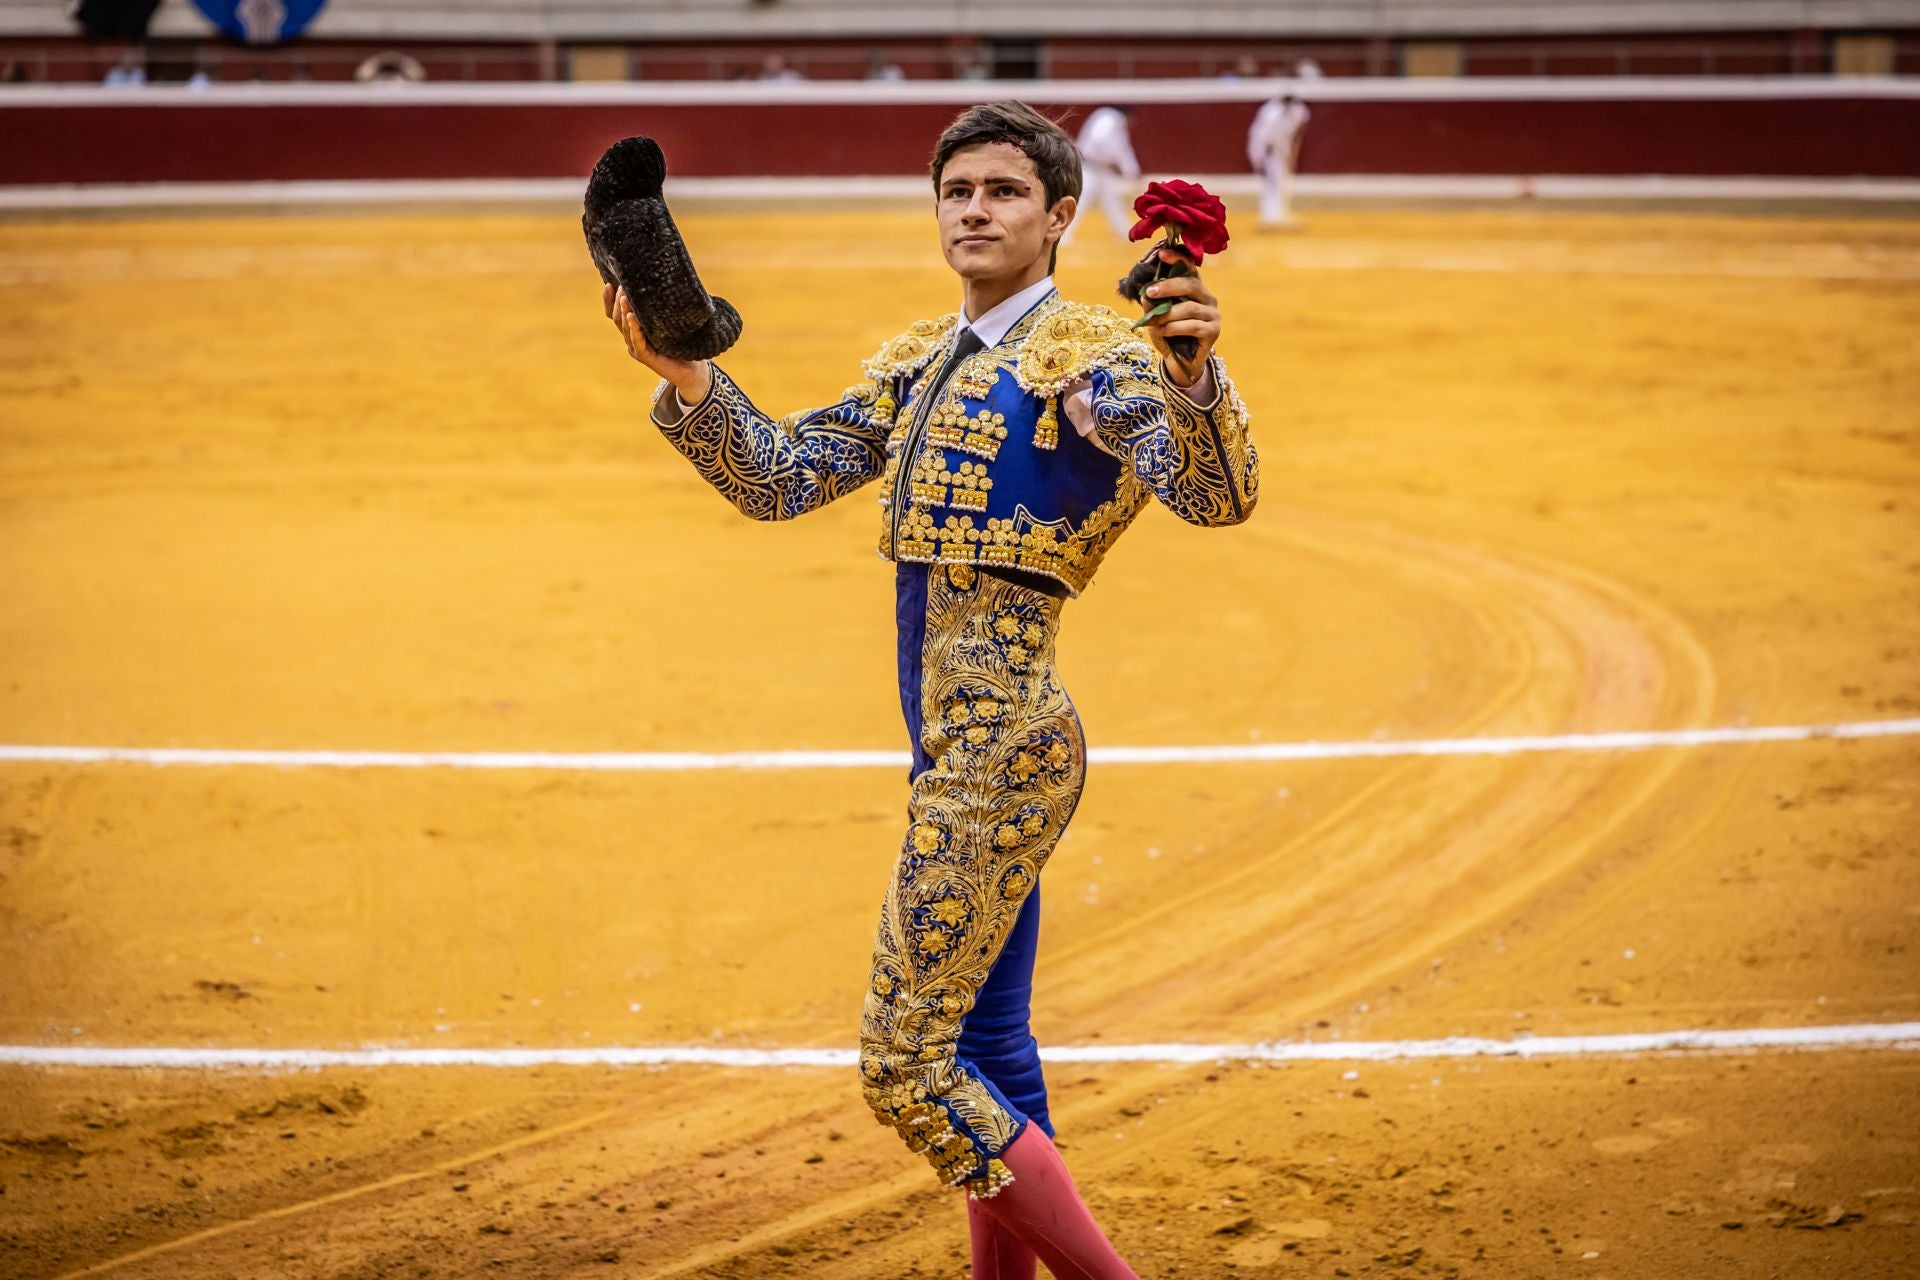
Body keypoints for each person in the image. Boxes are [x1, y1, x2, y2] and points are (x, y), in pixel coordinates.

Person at [603, 101, 1257, 1279]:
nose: (974, 209)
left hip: (998, 750)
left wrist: (1196, 381)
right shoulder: (921, 359)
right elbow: (784, 478)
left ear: (1061, 216)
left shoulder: (1095, 360)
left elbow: (1213, 495)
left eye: (1004, 191)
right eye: (958, 189)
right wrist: (689, 375)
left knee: (907, 1062)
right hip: (963, 748)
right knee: (986, 1043)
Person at [1061, 104, 1139, 246]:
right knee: (1081, 200)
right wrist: (1118, 165)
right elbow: (1103, 142)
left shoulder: (1107, 119)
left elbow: (1120, 148)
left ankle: (1123, 231)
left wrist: (1129, 170)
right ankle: (1064, 233)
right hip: (1091, 167)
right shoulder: (1110, 120)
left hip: (1101, 169)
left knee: (1111, 200)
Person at [1248, 92, 1312, 229]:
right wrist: (1260, 157)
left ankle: (1279, 214)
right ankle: (1271, 216)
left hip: (1279, 150)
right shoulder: (1271, 113)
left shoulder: (1298, 112)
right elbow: (1263, 138)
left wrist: (1290, 156)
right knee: (1272, 182)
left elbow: (1294, 137)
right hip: (1268, 151)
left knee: (1280, 182)